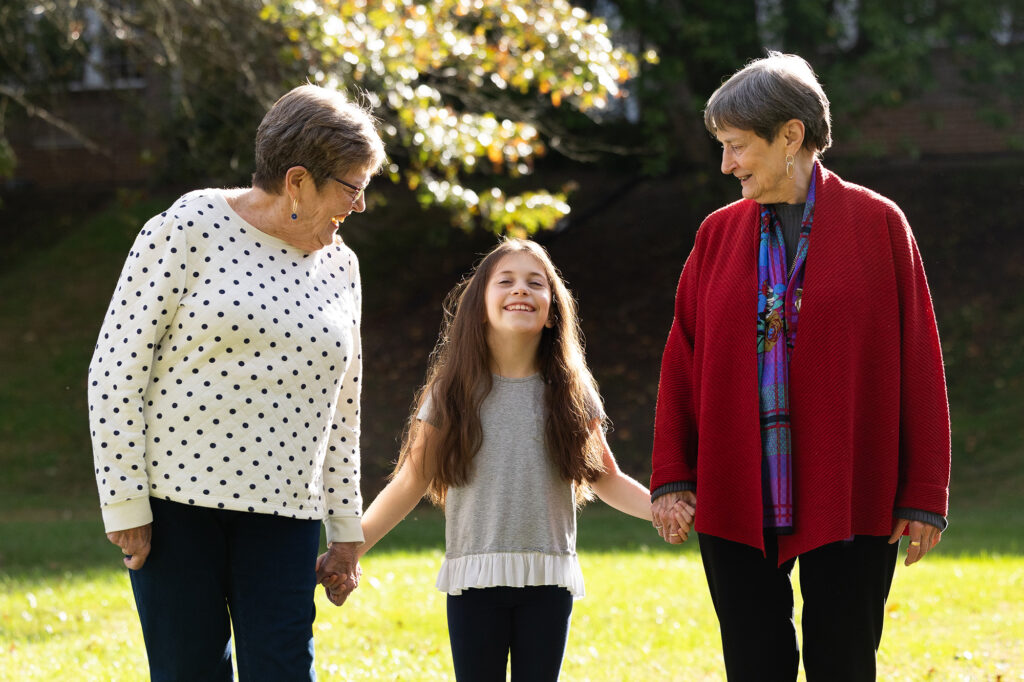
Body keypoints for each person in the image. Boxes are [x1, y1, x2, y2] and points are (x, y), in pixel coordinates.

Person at [649, 52, 951, 682]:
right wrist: (673, 476)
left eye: (737, 146)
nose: (727, 163)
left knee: (844, 661)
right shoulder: (715, 234)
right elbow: (683, 358)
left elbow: (920, 360)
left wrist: (924, 494)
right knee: (754, 665)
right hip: (737, 484)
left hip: (850, 484)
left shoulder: (879, 225)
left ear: (791, 136)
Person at [87, 83, 386, 681]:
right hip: (175, 511)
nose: (358, 206)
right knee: (188, 672)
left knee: (282, 671)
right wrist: (124, 501)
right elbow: (116, 368)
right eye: (352, 188)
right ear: (298, 180)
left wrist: (346, 529)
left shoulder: (342, 266)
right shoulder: (188, 227)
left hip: (286, 517)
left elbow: (343, 408)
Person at [319, 238, 693, 681]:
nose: (521, 290)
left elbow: (604, 477)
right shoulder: (451, 392)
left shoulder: (573, 391)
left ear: (553, 311)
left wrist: (662, 508)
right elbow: (411, 480)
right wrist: (350, 551)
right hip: (474, 578)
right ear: (479, 305)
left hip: (549, 578)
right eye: (507, 281)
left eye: (536, 283)